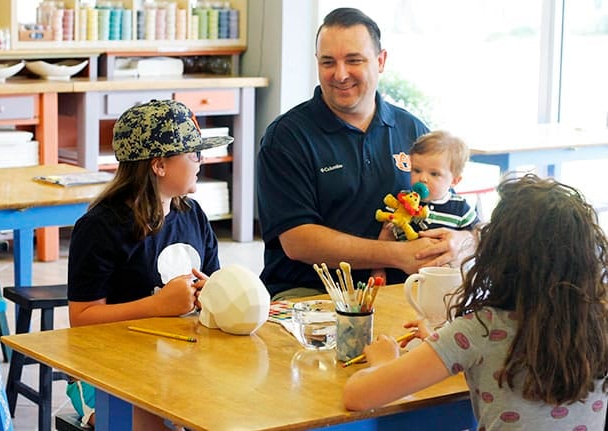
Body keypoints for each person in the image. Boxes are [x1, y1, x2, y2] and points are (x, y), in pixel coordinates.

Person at [344, 174, 608, 430]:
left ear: (498, 254)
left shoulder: (481, 329)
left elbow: (357, 396)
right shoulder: (599, 322)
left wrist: (384, 362)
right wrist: (442, 343)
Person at [256, 7, 475, 300]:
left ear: (381, 61)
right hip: (310, 294)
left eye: (354, 60)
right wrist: (397, 254)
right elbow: (299, 241)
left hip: (403, 291)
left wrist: (461, 241)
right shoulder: (286, 138)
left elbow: (455, 207)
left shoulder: (413, 130)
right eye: (328, 62)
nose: (340, 74)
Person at [66, 99, 232, 430]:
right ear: (159, 165)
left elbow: (214, 282)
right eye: (193, 154)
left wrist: (213, 293)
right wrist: (157, 306)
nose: (202, 162)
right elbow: (82, 319)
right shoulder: (100, 227)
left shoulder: (193, 215)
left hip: (181, 360)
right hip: (108, 368)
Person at [371, 130, 479, 281]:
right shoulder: (402, 202)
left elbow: (477, 236)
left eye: (434, 174)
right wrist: (378, 270)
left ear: (454, 181)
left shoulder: (460, 208)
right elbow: (384, 237)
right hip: (400, 281)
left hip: (442, 283)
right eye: (416, 170)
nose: (422, 178)